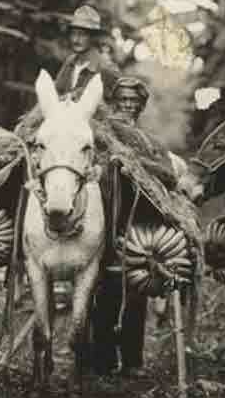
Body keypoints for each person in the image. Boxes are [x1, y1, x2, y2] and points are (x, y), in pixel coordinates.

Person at [88, 77, 155, 377]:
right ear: (115, 102)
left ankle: (132, 360)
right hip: (101, 220)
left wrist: (137, 166)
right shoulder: (101, 132)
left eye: (134, 101)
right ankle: (100, 358)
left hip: (135, 222)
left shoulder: (146, 140)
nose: (128, 105)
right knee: (101, 291)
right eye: (123, 100)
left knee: (136, 293)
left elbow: (163, 174)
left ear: (141, 105)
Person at [54, 5, 121, 101]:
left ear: (94, 37)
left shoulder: (106, 68)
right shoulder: (70, 62)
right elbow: (55, 92)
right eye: (74, 33)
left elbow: (116, 106)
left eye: (82, 34)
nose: (76, 39)